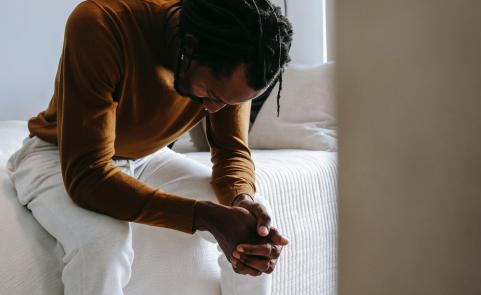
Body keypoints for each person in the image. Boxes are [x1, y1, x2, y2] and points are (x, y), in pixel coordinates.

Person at [6, 0, 293, 294]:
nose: (214, 110)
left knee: (255, 230)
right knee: (103, 245)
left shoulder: (243, 52)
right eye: (211, 94)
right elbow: (87, 176)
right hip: (57, 155)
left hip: (145, 156)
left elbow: (230, 151)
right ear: (190, 47)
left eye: (229, 102)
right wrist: (204, 216)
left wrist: (241, 199)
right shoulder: (102, 23)